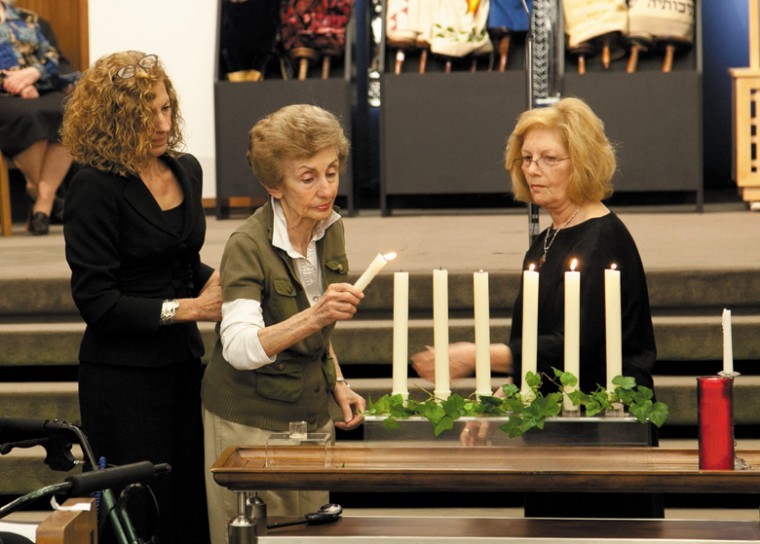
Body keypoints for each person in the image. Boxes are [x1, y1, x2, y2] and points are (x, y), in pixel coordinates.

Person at [410, 97, 660, 517]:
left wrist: (478, 356)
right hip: (554, 430)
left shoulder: (604, 240)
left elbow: (579, 349)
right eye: (526, 158)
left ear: (581, 163)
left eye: (549, 158)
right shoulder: (545, 240)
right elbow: (534, 348)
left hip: (603, 433)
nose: (532, 169)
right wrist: (502, 399)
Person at [61, 51, 221, 544]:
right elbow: (98, 301)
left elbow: (180, 262)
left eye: (166, 108)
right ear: (112, 118)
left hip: (184, 365)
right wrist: (190, 309)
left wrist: (239, 284)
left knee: (190, 503)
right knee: (138, 514)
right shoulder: (92, 187)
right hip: (123, 379)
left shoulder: (186, 170)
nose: (160, 123)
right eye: (145, 112)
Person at [201, 104, 366, 543]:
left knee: (312, 533)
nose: (325, 188)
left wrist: (337, 382)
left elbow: (319, 333)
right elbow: (238, 347)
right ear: (273, 184)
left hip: (310, 417)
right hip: (250, 422)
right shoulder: (246, 245)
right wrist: (316, 314)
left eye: (331, 172)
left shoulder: (330, 227)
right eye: (307, 177)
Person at [0, 1, 74, 235]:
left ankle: (40, 195)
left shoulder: (28, 18)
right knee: (29, 115)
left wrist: (33, 74)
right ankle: (47, 198)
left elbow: (51, 57)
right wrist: (12, 84)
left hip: (38, 87)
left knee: (70, 112)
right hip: (5, 96)